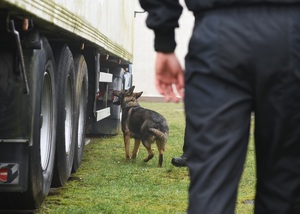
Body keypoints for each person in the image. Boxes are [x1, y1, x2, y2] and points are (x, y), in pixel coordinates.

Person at [139, 0, 300, 213]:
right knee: (285, 186)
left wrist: (165, 39)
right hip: (291, 31)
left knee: (211, 186)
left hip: (218, 35)